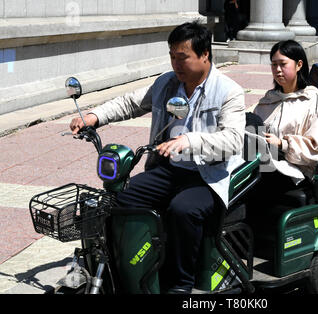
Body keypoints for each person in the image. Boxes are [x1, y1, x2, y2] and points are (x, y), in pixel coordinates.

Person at [69, 21, 246, 294]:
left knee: (183, 210)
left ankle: (181, 284)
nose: (176, 63)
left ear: (205, 55)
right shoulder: (166, 83)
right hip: (169, 170)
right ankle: (134, 267)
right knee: (123, 199)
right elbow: (131, 102)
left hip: (209, 176)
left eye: (183, 57)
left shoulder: (228, 91)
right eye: (172, 56)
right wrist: (94, 116)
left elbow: (233, 140)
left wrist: (189, 141)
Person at [252, 40, 318, 198]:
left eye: (283, 64)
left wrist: (283, 144)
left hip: (298, 172)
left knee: (256, 185)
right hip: (264, 163)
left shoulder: (313, 102)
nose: (277, 70)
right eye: (274, 65)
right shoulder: (269, 99)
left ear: (299, 65)